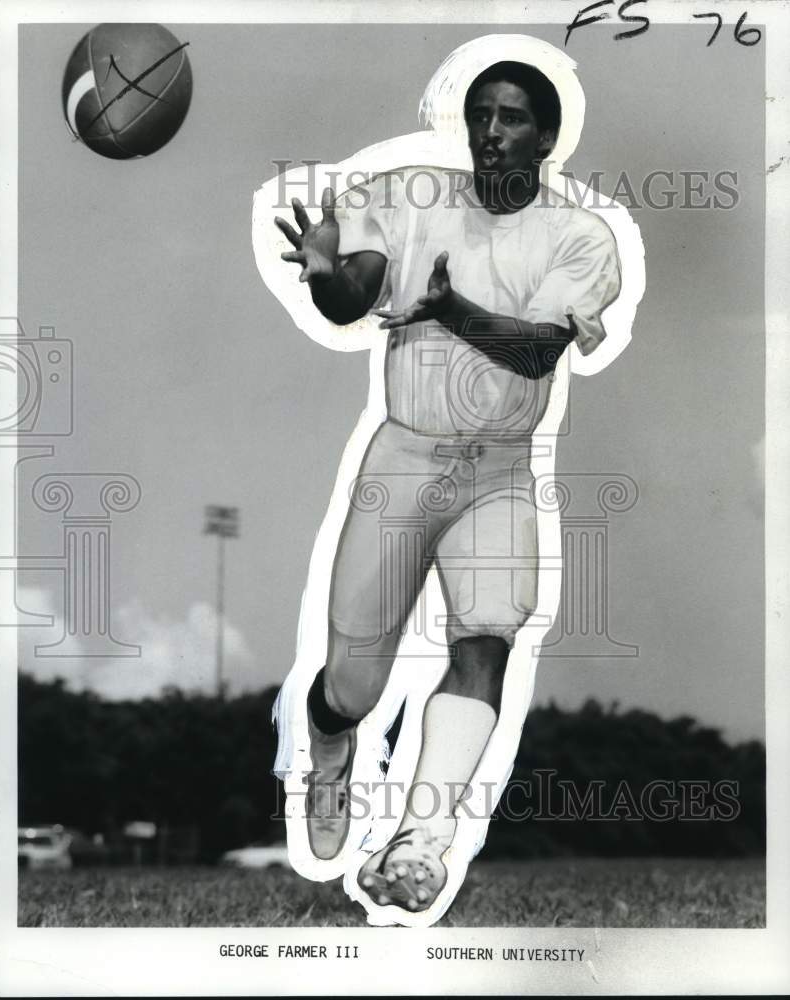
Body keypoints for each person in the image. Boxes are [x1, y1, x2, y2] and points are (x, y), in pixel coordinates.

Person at [273, 59, 621, 917]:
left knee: (486, 642)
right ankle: (326, 749)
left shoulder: (579, 236)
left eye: (509, 118)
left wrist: (448, 311)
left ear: (545, 136)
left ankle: (420, 842)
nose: (490, 131)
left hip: (500, 469)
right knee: (353, 684)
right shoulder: (410, 195)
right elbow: (350, 300)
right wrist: (324, 270)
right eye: (479, 115)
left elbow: (538, 349)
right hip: (404, 458)